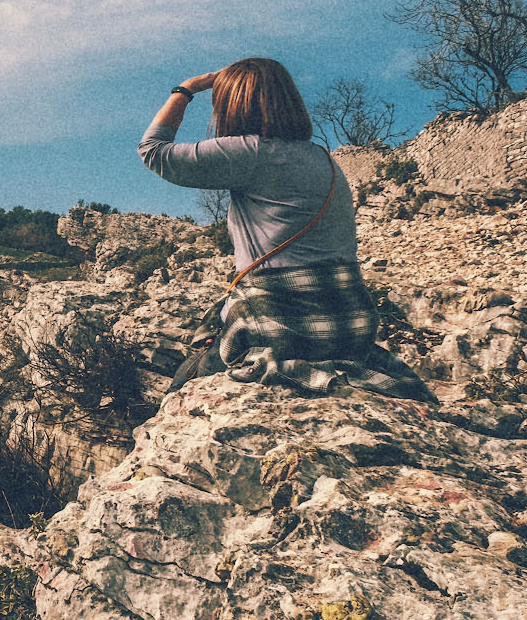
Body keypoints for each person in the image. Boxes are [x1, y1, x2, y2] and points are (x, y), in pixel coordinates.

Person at [138, 58, 427, 397]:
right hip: (350, 328)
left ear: (234, 106)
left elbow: (153, 151)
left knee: (184, 386)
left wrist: (186, 89)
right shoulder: (324, 160)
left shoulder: (250, 152)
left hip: (283, 328)